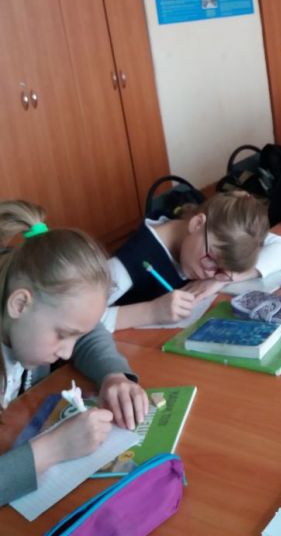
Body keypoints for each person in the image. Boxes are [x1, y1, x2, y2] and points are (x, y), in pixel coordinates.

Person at [0, 200, 148, 507]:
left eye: (74, 336)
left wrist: (113, 374)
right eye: (62, 335)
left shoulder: (32, 316)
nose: (68, 351)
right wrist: (52, 449)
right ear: (19, 304)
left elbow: (88, 332)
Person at [104, 191, 281, 331]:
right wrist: (151, 312)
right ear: (197, 223)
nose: (209, 272)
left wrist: (218, 281)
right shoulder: (129, 262)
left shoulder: (209, 240)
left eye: (221, 270)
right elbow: (85, 319)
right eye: (211, 259)